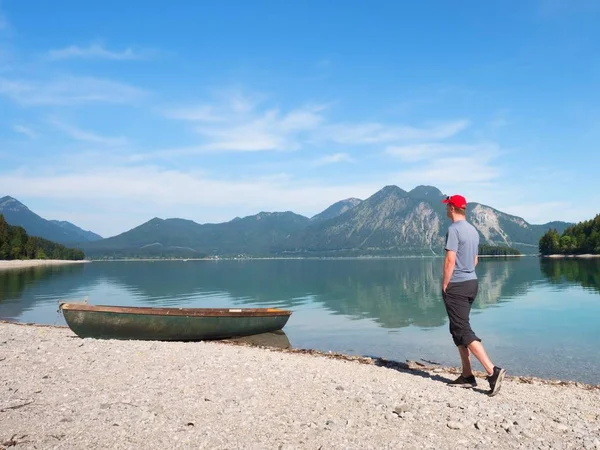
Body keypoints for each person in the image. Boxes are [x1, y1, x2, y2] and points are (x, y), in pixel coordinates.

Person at [441, 194, 506, 396]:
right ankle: (467, 375)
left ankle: (492, 371)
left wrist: (445, 284)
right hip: (472, 283)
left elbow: (450, 260)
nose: (446, 209)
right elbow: (475, 260)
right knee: (457, 329)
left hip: (457, 285)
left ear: (452, 208)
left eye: (447, 206)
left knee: (463, 330)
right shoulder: (472, 230)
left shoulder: (453, 229)